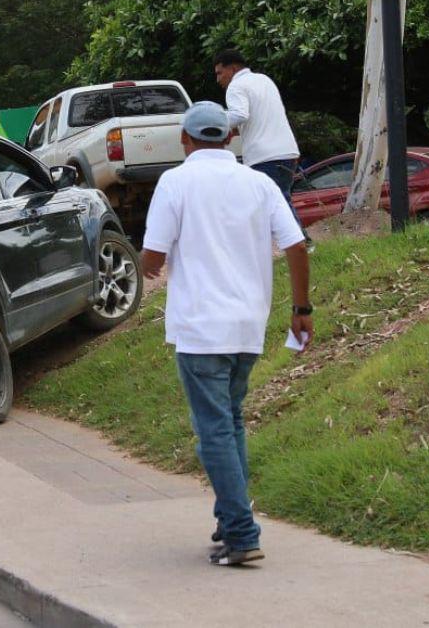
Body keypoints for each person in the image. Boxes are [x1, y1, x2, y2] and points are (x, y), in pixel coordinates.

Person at [141, 101, 314, 566]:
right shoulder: (258, 183)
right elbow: (297, 245)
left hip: (200, 330)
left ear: (185, 139)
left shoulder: (174, 182)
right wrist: (301, 309)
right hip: (247, 327)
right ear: (231, 139)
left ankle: (241, 533)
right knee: (231, 422)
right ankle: (227, 521)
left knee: (214, 430)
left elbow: (153, 258)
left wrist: (140, 267)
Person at [213, 49, 305, 230]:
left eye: (219, 73)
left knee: (272, 202)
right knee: (277, 199)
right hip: (287, 151)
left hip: (264, 156)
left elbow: (239, 114)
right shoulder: (264, 80)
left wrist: (214, 122)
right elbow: (260, 117)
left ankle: (301, 243)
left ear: (232, 69)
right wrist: (234, 129)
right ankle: (293, 244)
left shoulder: (236, 86)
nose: (218, 80)